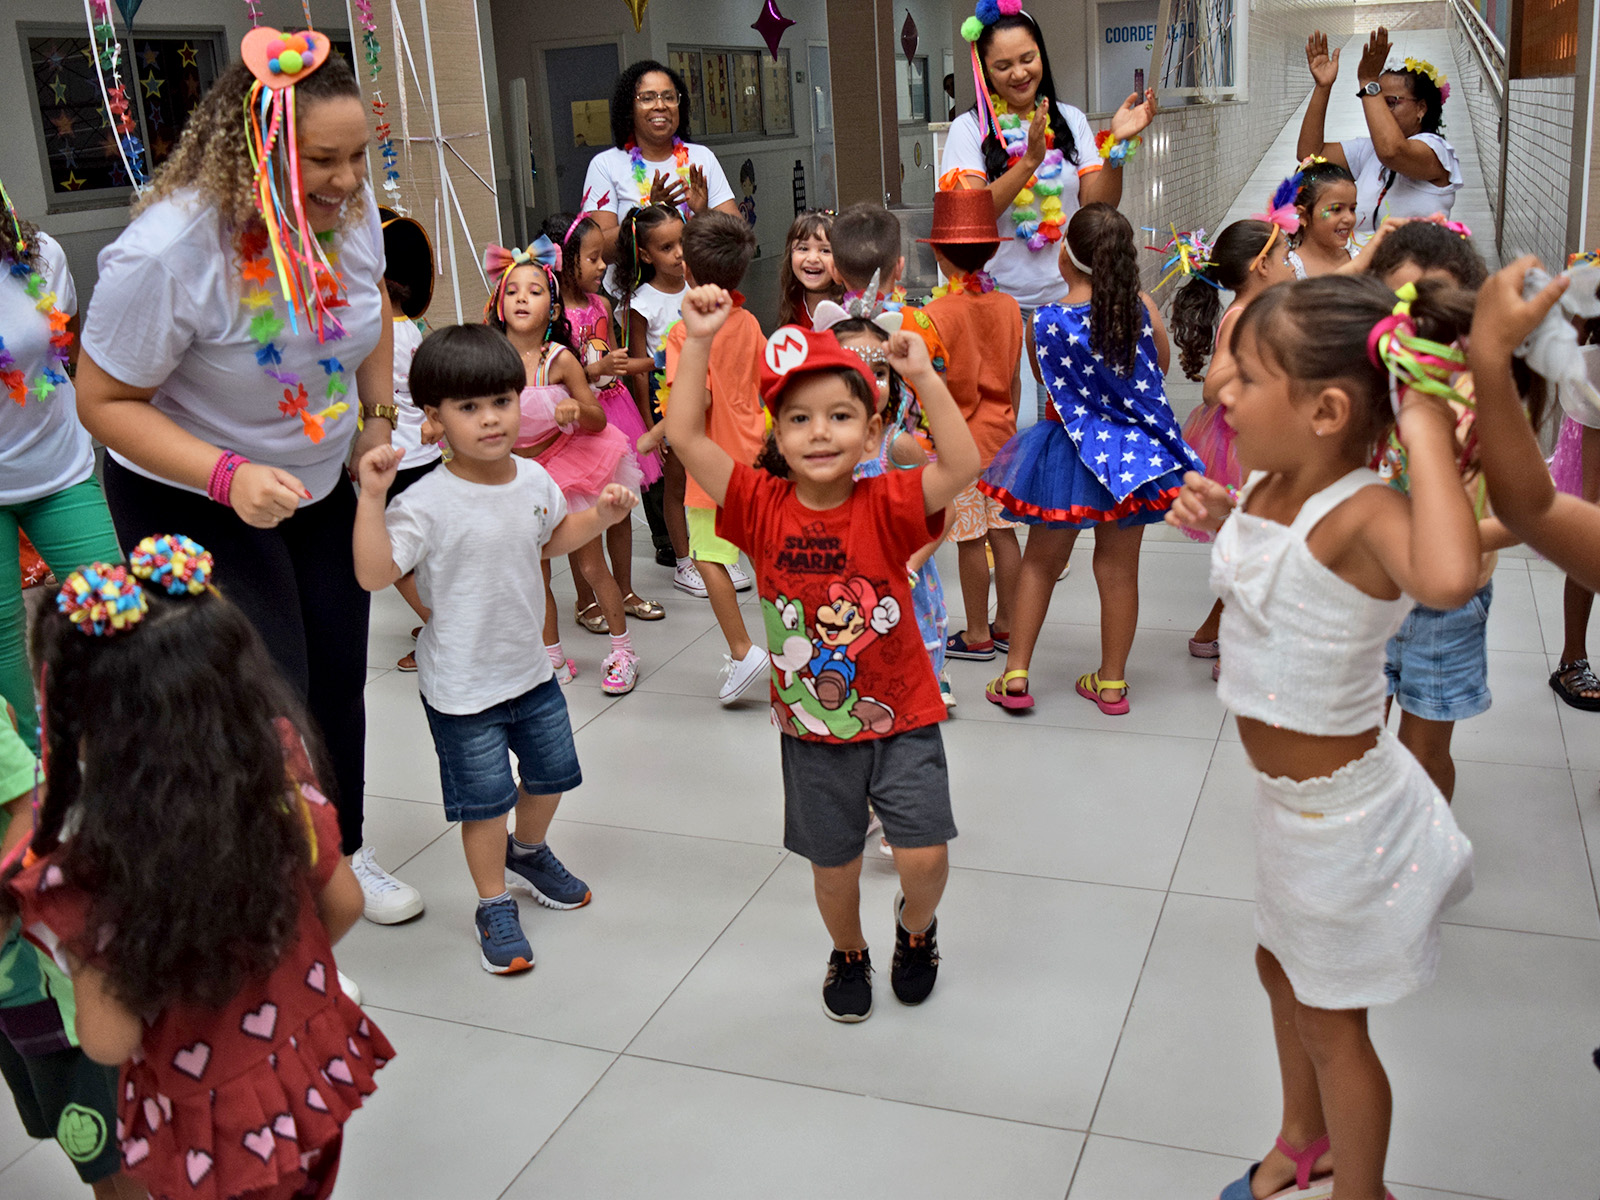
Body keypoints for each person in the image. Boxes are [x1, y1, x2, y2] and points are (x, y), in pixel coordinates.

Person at [71, 37, 421, 937]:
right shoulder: (167, 253)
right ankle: (274, 898)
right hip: (191, 494)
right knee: (262, 699)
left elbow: (374, 316)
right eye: (325, 160)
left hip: (315, 483)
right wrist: (225, 475)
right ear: (257, 150)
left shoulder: (349, 218)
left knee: (336, 676)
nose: (350, 181)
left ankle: (342, 852)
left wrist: (376, 419)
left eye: (359, 156)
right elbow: (101, 401)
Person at [1166, 274, 1479, 1200]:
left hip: (1347, 825)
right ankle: (1304, 1137)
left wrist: (1423, 421)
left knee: (1334, 1022)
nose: (1221, 388)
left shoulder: (1368, 513)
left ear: (1328, 411)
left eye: (1247, 375)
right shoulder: (1270, 484)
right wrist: (1225, 516)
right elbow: (1283, 575)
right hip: (1287, 809)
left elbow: (1450, 579)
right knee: (1279, 968)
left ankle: (1362, 1190)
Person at [3, 535, 393, 1200]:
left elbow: (107, 1039)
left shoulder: (91, 875)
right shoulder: (281, 779)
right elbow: (345, 904)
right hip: (306, 1066)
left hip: (207, 1126)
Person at [664, 286, 980, 1022]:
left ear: (872, 435)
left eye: (840, 416)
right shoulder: (757, 505)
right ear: (777, 435)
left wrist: (923, 376)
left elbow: (962, 465)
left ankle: (916, 928)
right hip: (813, 728)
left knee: (926, 857)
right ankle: (849, 950)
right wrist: (699, 339)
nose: (819, 432)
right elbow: (685, 435)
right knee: (833, 867)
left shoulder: (889, 502)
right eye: (799, 418)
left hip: (903, 714)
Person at [354, 324, 637, 974]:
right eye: (469, 407)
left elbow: (551, 536)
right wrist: (370, 498)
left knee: (553, 776)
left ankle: (528, 852)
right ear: (433, 421)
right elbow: (374, 573)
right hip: (461, 690)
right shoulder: (425, 502)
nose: (490, 419)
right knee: (485, 807)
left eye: (502, 402)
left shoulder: (534, 479)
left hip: (531, 673)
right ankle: (492, 903)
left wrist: (600, 518)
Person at [979, 204, 1200, 714]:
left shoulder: (1043, 322)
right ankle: (1112, 682)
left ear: (1065, 257)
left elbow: (1046, 380)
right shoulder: (1141, 309)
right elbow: (1159, 367)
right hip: (1133, 460)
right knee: (1118, 571)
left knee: (1040, 563)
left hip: (1067, 455)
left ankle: (1016, 674)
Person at [938, 1, 1156, 418]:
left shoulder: (1070, 120)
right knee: (1012, 425)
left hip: (1068, 302)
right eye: (1003, 66)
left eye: (1027, 58)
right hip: (998, 303)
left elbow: (1097, 204)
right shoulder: (969, 129)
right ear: (984, 72)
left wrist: (1117, 147)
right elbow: (970, 216)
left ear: (1042, 55)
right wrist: (1028, 163)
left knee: (1065, 422)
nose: (1019, 73)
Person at [1367, 227, 1512, 799]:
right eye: (1400, 306)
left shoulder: (1484, 396)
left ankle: (1421, 844)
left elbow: (1521, 515)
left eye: (1434, 309)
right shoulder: (1364, 390)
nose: (1416, 326)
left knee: (1424, 754)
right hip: (1367, 594)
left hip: (1446, 611)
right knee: (1356, 742)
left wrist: (1448, 544)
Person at [485, 240, 643, 696]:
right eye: (512, 290)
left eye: (534, 291)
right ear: (498, 304)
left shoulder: (560, 359)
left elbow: (597, 418)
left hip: (568, 468)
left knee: (591, 564)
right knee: (535, 573)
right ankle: (551, 656)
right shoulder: (492, 360)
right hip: (518, 477)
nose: (521, 298)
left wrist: (575, 410)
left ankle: (623, 650)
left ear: (553, 308)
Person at [0, 177, 122, 754]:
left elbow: (66, 348)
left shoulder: (40, 255)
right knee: (4, 652)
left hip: (58, 467)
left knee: (117, 621)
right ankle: (31, 783)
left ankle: (131, 757)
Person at [0, 712, 136, 1199]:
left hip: (51, 990)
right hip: (16, 1000)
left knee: (115, 1146)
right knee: (87, 1148)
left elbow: (33, 803)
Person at [1167, 219, 1297, 667]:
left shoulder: (1261, 310)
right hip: (1240, 446)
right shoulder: (1243, 316)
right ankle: (1235, 650)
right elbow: (1212, 387)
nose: (1291, 265)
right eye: (1284, 257)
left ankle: (1212, 635)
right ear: (1261, 265)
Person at [653, 213, 767, 704]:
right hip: (755, 458)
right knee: (765, 556)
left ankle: (743, 650)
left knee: (708, 559)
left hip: (711, 465)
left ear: (688, 270)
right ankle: (792, 641)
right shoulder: (749, 321)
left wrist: (658, 430)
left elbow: (695, 399)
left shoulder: (686, 333)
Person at [917, 189, 1024, 670]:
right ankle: (1008, 624)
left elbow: (932, 389)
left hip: (958, 447)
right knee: (1005, 534)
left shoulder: (935, 315)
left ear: (939, 254)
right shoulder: (1009, 307)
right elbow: (1014, 379)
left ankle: (977, 633)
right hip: (1003, 439)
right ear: (992, 250)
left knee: (969, 539)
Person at [546, 211, 666, 631]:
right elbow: (551, 372)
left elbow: (616, 361)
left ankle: (624, 589)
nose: (602, 266)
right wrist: (591, 371)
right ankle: (585, 600)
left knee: (619, 507)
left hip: (615, 412)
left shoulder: (602, 304)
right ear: (564, 260)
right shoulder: (552, 313)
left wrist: (656, 364)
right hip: (577, 419)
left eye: (603, 257)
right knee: (583, 514)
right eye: (593, 258)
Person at [831, 316, 956, 711]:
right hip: (844, 589)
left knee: (907, 681)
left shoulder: (898, 447)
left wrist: (910, 565)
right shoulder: (820, 449)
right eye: (853, 370)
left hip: (902, 585)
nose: (870, 383)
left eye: (880, 372)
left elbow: (946, 511)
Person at [1298, 28, 1463, 233]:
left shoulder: (1436, 151)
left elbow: (1392, 152)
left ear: (1421, 108)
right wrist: (1323, 87)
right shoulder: (1370, 150)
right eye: (1377, 101)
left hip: (1413, 254)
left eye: (1391, 102)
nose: (1379, 109)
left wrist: (1369, 82)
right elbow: (1310, 155)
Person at [581, 60, 741, 264]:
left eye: (669, 97)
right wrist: (647, 214)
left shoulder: (702, 158)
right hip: (632, 284)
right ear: (629, 108)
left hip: (695, 283)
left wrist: (703, 214)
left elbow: (739, 236)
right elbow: (598, 250)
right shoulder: (605, 165)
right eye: (647, 98)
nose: (660, 106)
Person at [616, 204, 695, 577]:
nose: (679, 254)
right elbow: (636, 370)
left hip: (700, 393)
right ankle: (680, 555)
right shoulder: (641, 302)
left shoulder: (696, 286)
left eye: (682, 242)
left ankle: (710, 547)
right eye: (667, 247)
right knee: (673, 481)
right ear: (646, 255)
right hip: (662, 399)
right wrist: (649, 424)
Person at [379, 206, 441, 674]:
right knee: (430, 552)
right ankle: (442, 619)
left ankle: (443, 630)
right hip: (427, 457)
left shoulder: (380, 338)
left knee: (396, 557)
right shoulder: (414, 331)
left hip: (398, 461)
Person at [1289, 159, 1361, 278]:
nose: (1349, 218)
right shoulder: (1288, 269)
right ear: (1303, 216)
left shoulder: (1360, 261)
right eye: (1336, 209)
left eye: (1352, 209)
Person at [777, 210, 842, 327]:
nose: (812, 259)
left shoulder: (850, 307)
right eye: (803, 248)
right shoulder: (793, 300)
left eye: (825, 250)